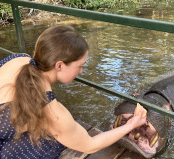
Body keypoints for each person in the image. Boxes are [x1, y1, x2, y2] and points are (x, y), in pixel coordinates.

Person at [0, 25, 147, 158]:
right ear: (59, 65)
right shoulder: (54, 115)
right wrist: (130, 125)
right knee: (53, 141)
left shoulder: (20, 58)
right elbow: (90, 144)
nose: (81, 71)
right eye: (80, 66)